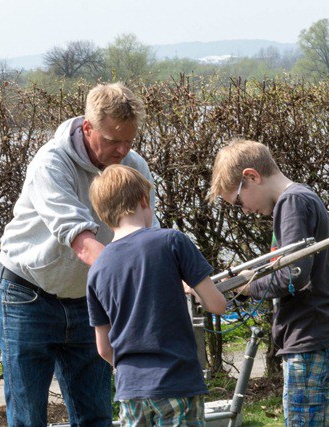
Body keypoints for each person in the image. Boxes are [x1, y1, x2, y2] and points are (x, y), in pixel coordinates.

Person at [0, 83, 159, 426]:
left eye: (129, 139)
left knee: (96, 417)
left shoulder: (134, 166)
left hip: (88, 299)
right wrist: (134, 278)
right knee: (28, 419)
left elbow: (146, 236)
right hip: (28, 296)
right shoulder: (51, 163)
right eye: (114, 140)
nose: (122, 149)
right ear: (88, 127)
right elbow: (80, 240)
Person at [208, 139, 329, 427]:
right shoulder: (299, 199)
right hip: (317, 338)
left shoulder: (292, 202)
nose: (245, 211)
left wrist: (245, 286)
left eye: (238, 201)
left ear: (251, 176)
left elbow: (293, 276)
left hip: (310, 340)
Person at [86, 164, 227, 426]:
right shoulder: (172, 240)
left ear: (103, 214)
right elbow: (217, 304)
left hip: (130, 391)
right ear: (143, 199)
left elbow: (104, 348)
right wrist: (197, 289)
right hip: (176, 382)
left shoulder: (98, 268)